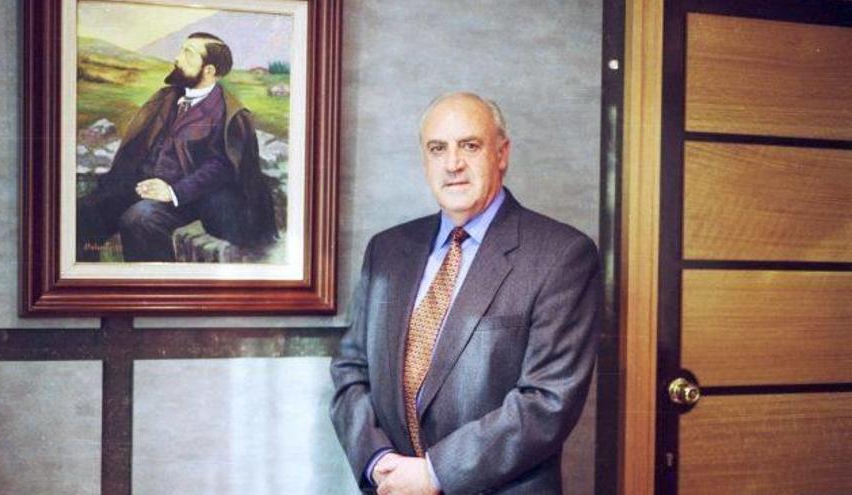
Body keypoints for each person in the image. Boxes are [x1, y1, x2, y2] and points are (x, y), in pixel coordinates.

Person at [330, 92, 601, 494]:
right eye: (437, 148)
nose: (453, 163)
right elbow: (351, 370)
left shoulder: (561, 255)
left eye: (470, 146)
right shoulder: (386, 251)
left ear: (502, 153)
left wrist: (434, 474)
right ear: (425, 160)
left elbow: (547, 401)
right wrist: (378, 462)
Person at [77, 32, 277, 262]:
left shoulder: (229, 113)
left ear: (209, 70)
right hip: (145, 186)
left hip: (192, 198)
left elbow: (220, 167)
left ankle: (155, 283)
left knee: (140, 219)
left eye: (188, 53)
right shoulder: (166, 98)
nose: (177, 58)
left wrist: (173, 192)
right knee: (85, 211)